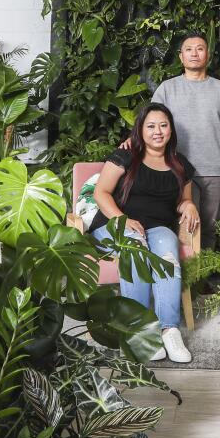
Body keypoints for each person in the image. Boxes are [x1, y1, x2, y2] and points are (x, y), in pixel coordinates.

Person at [91, 103, 197, 363]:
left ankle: (168, 329)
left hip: (158, 227)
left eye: (163, 125)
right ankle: (138, 330)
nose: (157, 131)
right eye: (150, 126)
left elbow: (182, 201)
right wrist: (122, 219)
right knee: (135, 249)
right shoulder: (125, 156)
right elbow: (100, 192)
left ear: (171, 129)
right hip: (114, 225)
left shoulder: (180, 165)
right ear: (140, 129)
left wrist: (190, 204)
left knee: (168, 256)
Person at [150, 31, 220, 250]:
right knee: (179, 224)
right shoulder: (167, 89)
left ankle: (203, 280)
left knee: (209, 227)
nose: (194, 53)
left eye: (200, 48)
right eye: (189, 49)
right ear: (181, 57)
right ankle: (181, 277)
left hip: (213, 169)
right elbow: (149, 124)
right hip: (176, 168)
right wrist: (131, 144)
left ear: (207, 55)